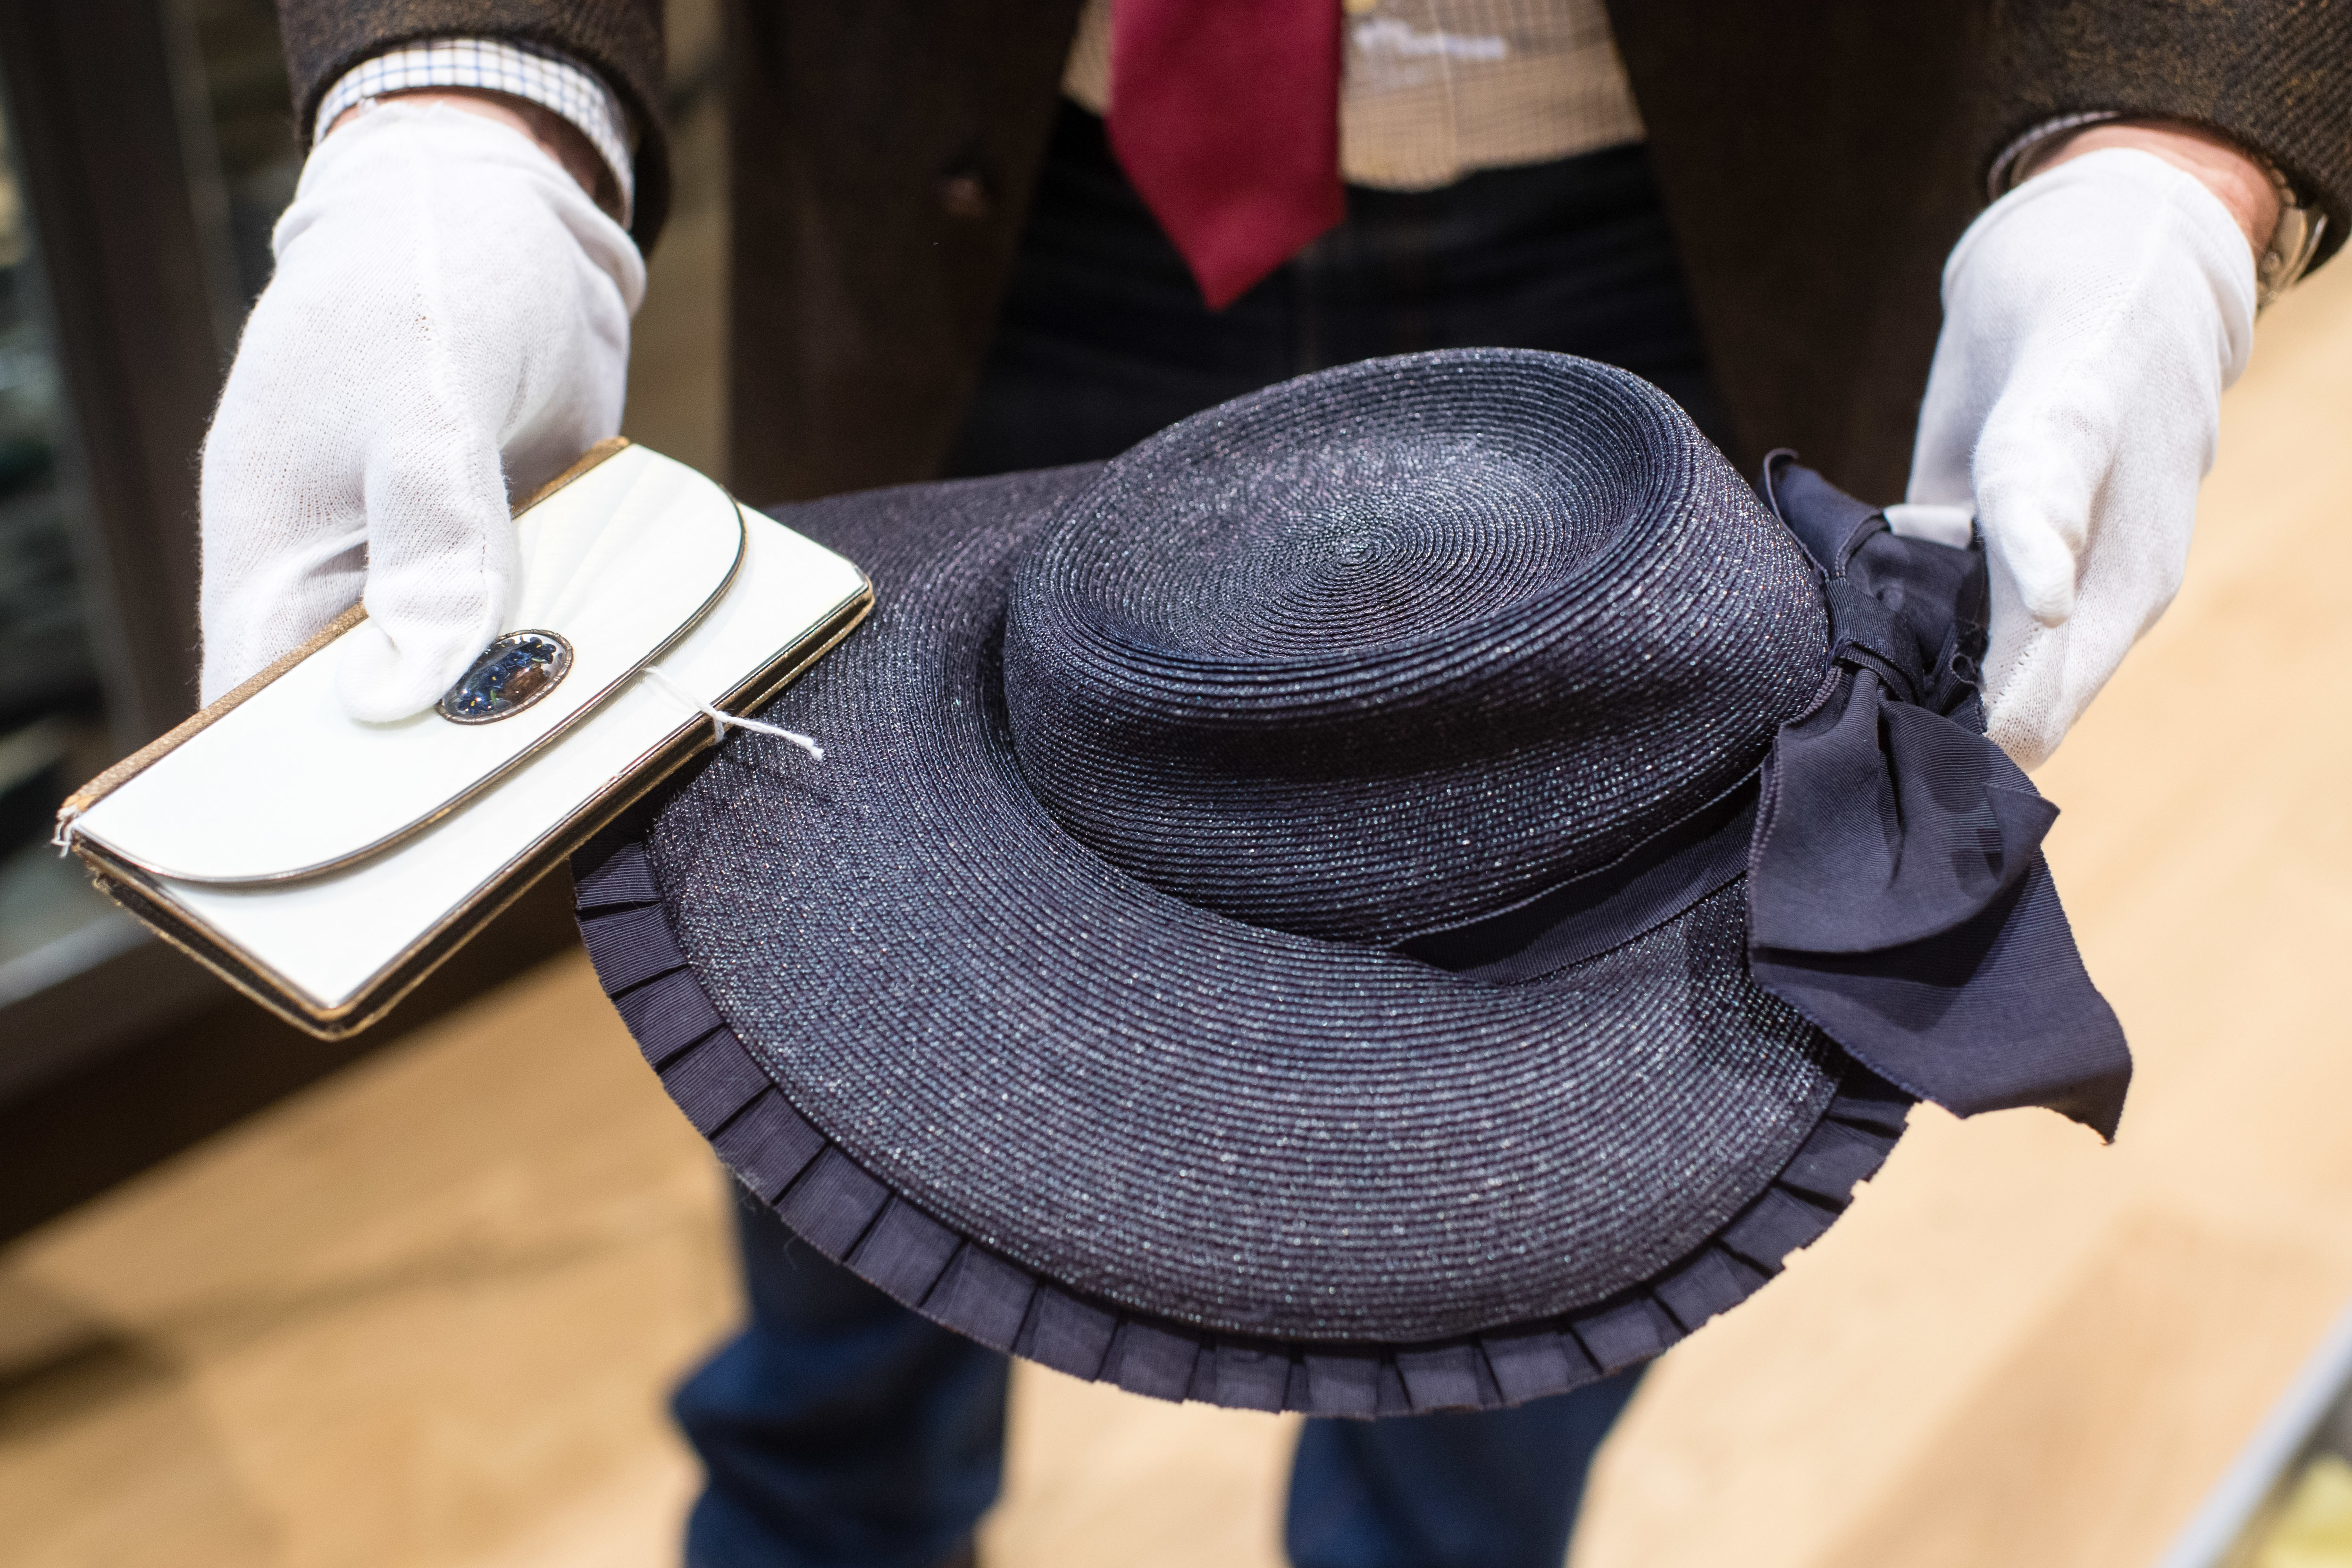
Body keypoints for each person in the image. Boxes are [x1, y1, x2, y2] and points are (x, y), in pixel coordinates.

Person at [206, 4, 2351, 1565]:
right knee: (858, 1123)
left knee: (1541, 1210)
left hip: (1702, 219)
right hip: (990, 180)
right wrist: (460, 97)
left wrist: (2169, 146)